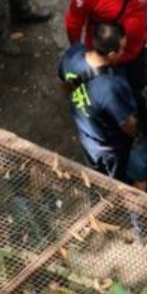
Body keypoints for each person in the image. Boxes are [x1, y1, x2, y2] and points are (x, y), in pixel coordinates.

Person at [57, 22, 136, 181]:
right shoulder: (112, 87)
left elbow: (62, 84)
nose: (123, 52)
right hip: (107, 146)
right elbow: (129, 126)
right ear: (112, 54)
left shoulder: (73, 54)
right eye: (121, 49)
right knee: (113, 176)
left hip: (86, 132)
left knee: (94, 163)